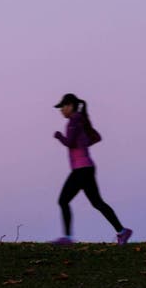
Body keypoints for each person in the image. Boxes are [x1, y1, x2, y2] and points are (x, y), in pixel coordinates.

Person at [51, 92, 132, 245]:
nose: (61, 110)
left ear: (70, 106)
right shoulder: (81, 120)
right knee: (97, 202)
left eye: (62, 107)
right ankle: (122, 231)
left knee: (63, 200)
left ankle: (67, 238)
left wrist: (59, 136)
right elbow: (96, 137)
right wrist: (84, 143)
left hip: (81, 169)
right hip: (87, 167)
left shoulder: (74, 120)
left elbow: (69, 142)